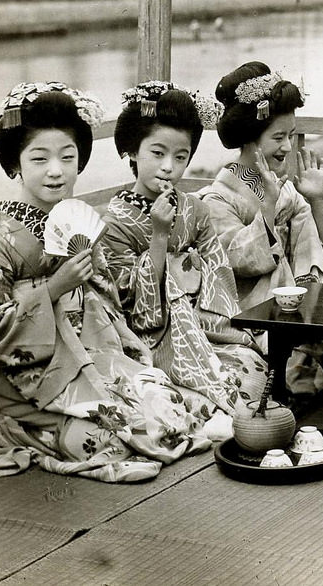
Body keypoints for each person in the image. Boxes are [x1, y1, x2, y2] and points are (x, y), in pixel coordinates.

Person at [0, 82, 212, 482]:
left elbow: (109, 305)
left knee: (172, 413)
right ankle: (23, 430)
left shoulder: (78, 222)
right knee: (114, 441)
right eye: (40, 159)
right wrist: (52, 289)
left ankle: (85, 418)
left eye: (68, 157)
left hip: (95, 356)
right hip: (32, 380)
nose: (56, 170)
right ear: (15, 165)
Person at [101, 81, 269, 425]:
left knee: (252, 367)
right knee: (203, 391)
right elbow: (127, 304)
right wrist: (160, 236)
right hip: (151, 336)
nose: (168, 167)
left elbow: (219, 276)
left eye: (180, 157)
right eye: (157, 153)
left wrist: (188, 277)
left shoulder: (195, 210)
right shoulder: (113, 223)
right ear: (132, 151)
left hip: (206, 327)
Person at [198, 62, 323, 402]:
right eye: (278, 137)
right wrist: (267, 209)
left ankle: (308, 334)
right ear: (250, 138)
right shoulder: (217, 199)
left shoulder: (284, 189)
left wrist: (317, 201)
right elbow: (241, 262)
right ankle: (300, 350)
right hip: (249, 308)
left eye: (290, 136)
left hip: (295, 304)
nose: (288, 147)